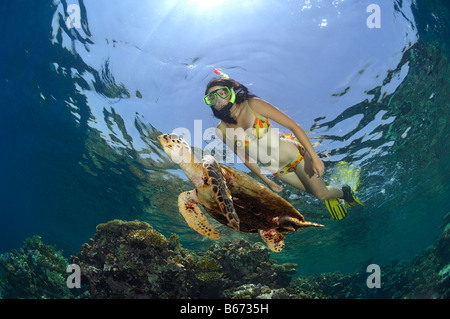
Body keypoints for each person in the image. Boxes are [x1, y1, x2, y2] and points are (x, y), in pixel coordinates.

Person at [204, 69, 363, 220]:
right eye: (212, 98)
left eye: (222, 93)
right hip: (278, 170)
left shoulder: (253, 105)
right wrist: (266, 180)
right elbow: (245, 158)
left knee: (321, 195)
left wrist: (315, 157)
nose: (217, 100)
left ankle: (344, 193)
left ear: (231, 92)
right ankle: (329, 191)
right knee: (315, 193)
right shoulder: (221, 130)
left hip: (294, 155)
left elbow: (293, 126)